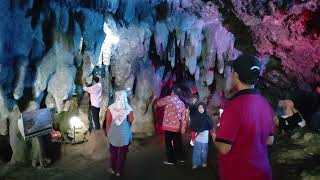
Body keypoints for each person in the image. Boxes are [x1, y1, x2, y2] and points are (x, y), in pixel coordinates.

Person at [215, 54, 275, 180]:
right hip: (262, 172)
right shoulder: (265, 104)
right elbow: (269, 140)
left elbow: (224, 148)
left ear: (236, 75)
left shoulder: (234, 107)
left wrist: (214, 133)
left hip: (239, 173)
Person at [105, 90, 134, 177]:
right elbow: (131, 120)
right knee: (122, 153)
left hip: (113, 133)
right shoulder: (128, 108)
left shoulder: (111, 108)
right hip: (125, 134)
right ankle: (119, 171)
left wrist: (108, 132)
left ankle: (113, 169)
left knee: (113, 152)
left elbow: (108, 122)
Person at [156, 87, 187, 165]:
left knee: (169, 143)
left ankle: (171, 160)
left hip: (168, 126)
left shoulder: (168, 98)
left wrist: (155, 98)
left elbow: (158, 103)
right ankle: (180, 158)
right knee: (178, 143)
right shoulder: (181, 103)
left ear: (173, 92)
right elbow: (184, 116)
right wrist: (183, 127)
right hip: (177, 127)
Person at [190, 102, 215, 169]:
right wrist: (193, 138)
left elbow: (211, 128)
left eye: (202, 108)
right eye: (199, 108)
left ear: (204, 108)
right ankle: (195, 163)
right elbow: (193, 129)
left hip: (205, 138)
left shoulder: (207, 117)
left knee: (204, 151)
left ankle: (204, 162)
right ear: (197, 109)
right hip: (197, 138)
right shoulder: (195, 117)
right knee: (196, 151)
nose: (201, 109)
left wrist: (213, 135)